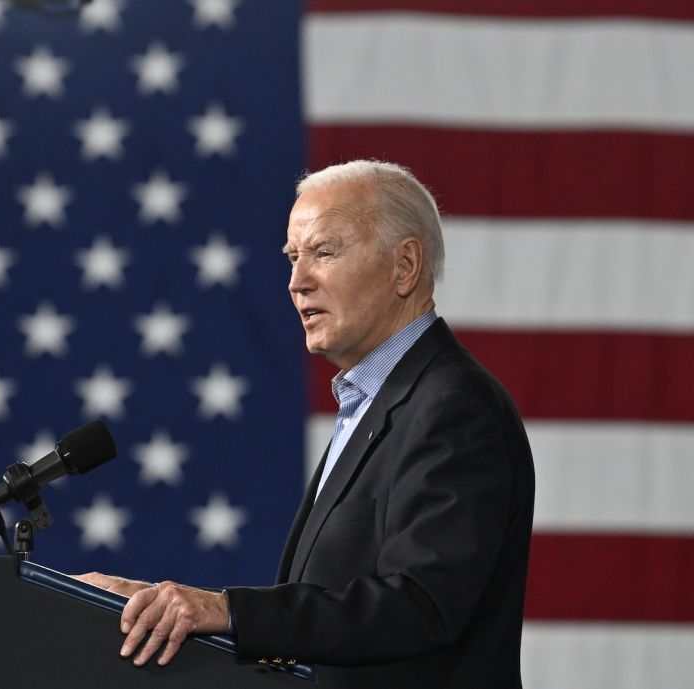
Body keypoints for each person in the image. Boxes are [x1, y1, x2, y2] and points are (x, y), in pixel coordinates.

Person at [74, 160, 535, 688]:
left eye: (324, 252)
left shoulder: (452, 405)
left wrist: (227, 611)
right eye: (293, 258)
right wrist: (167, 606)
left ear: (405, 266)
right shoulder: (377, 403)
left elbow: (422, 603)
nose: (297, 282)